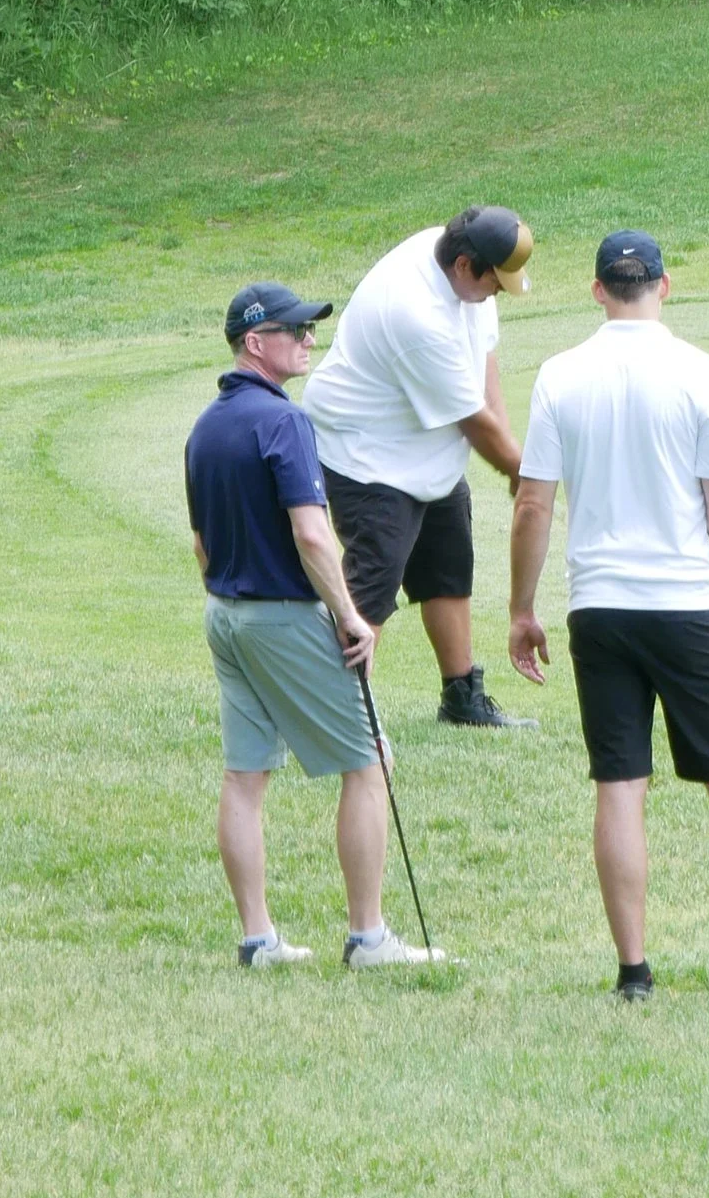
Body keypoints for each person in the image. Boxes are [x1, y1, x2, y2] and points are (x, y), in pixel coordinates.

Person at [507, 229, 709, 1001]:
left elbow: (533, 502)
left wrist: (521, 608)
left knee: (620, 783)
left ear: (599, 289)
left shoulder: (559, 374)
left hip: (600, 607)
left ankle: (635, 971)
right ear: (665, 286)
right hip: (686, 604)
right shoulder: (701, 373)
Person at [184, 279, 441, 968]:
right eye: (295, 331)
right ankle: (368, 936)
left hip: (225, 615)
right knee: (369, 760)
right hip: (282, 616)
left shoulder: (206, 426)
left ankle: (258, 938)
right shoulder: (284, 422)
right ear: (255, 342)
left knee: (244, 774)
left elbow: (202, 544)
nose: (308, 339)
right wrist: (352, 615)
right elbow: (313, 534)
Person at [303, 205, 533, 727]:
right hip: (366, 453)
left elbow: (484, 363)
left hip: (425, 449)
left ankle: (462, 700)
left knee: (448, 568)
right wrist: (523, 471)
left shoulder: (460, 257)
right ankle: (332, 715)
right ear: (464, 267)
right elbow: (474, 422)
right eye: (496, 284)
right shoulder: (415, 313)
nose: (499, 293)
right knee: (370, 590)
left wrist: (518, 455)